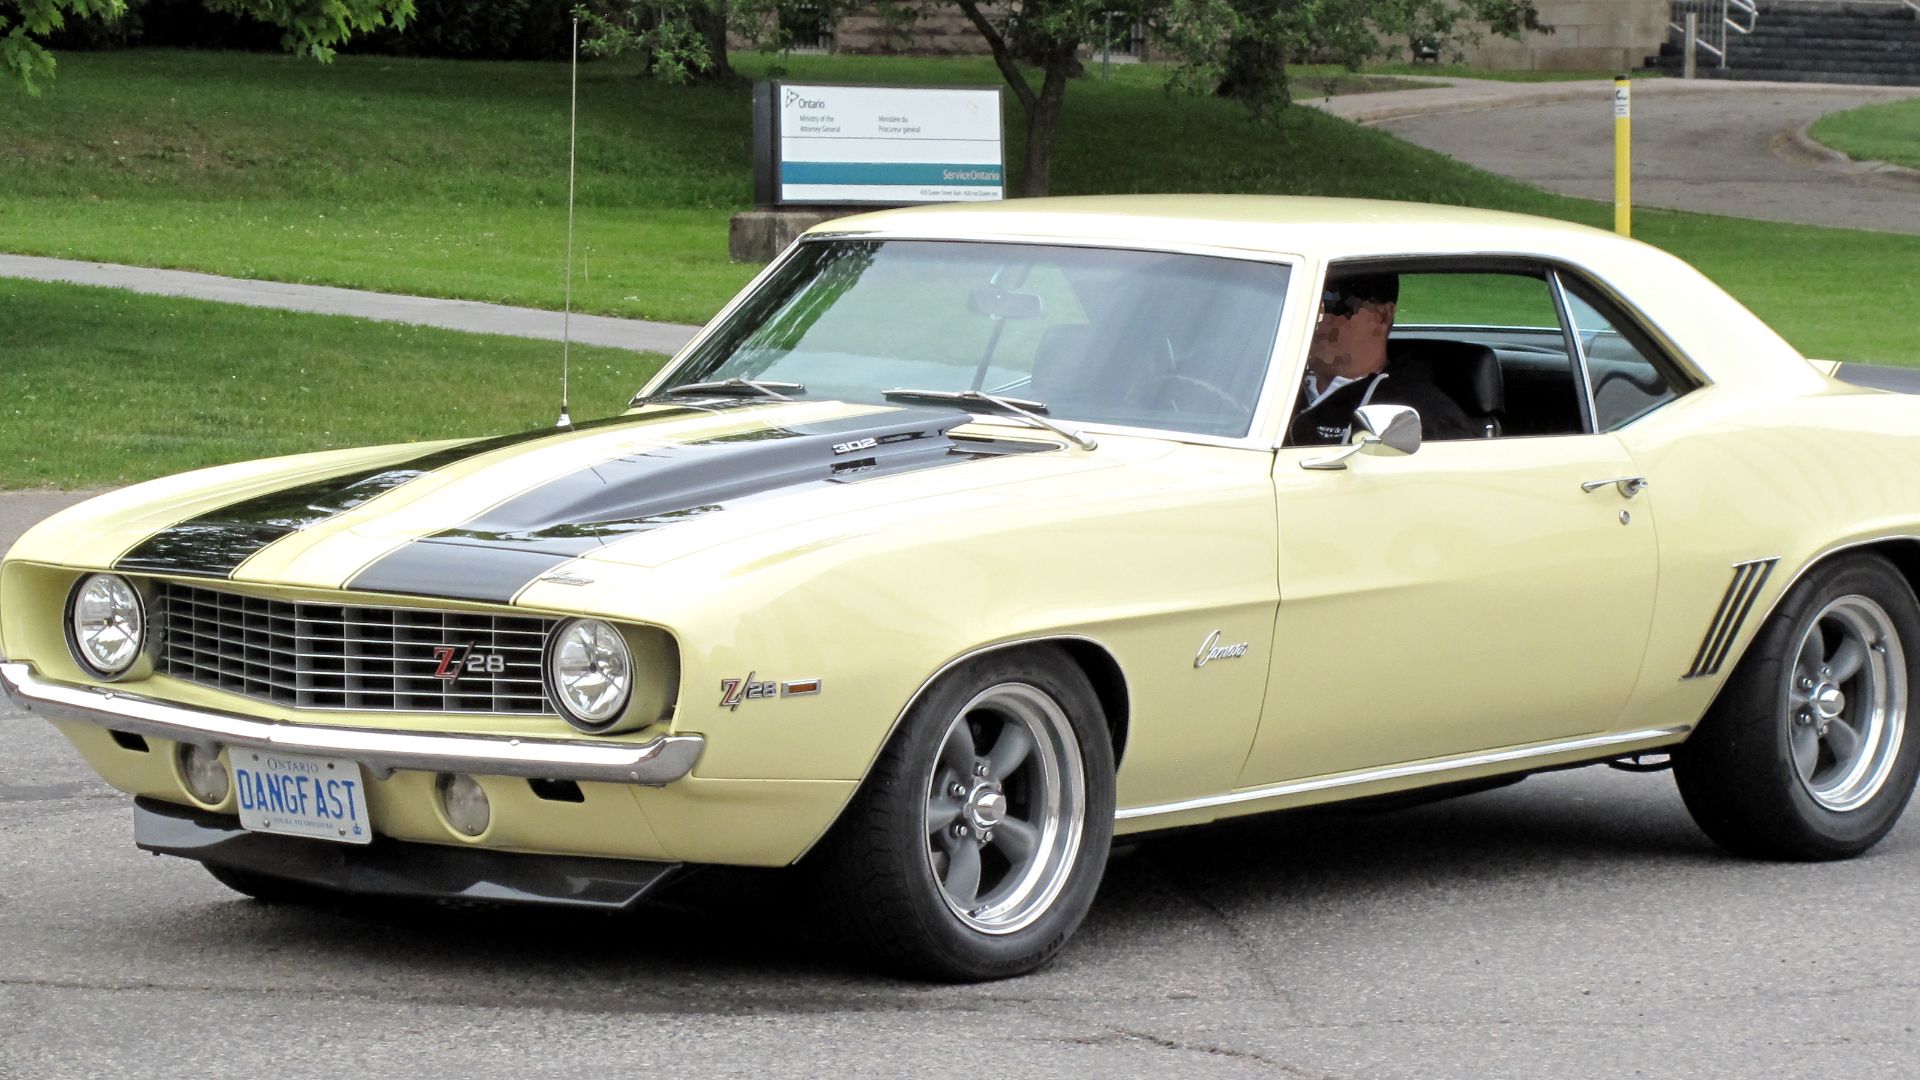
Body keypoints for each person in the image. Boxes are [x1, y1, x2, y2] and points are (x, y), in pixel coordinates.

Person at [1286, 271, 1478, 447]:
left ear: (1383, 316)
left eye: (1334, 304)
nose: (1318, 318)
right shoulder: (1268, 387)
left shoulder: (1425, 414)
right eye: (1308, 305)